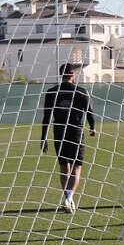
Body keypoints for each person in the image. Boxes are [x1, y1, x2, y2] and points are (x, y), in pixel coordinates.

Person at [40, 63, 97, 213]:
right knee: (76, 167)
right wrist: (92, 127)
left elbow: (46, 117)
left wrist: (43, 138)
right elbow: (89, 112)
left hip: (59, 132)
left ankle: (67, 197)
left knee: (64, 167)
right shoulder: (81, 91)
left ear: (61, 75)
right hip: (76, 133)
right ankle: (69, 197)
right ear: (72, 74)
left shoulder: (52, 92)